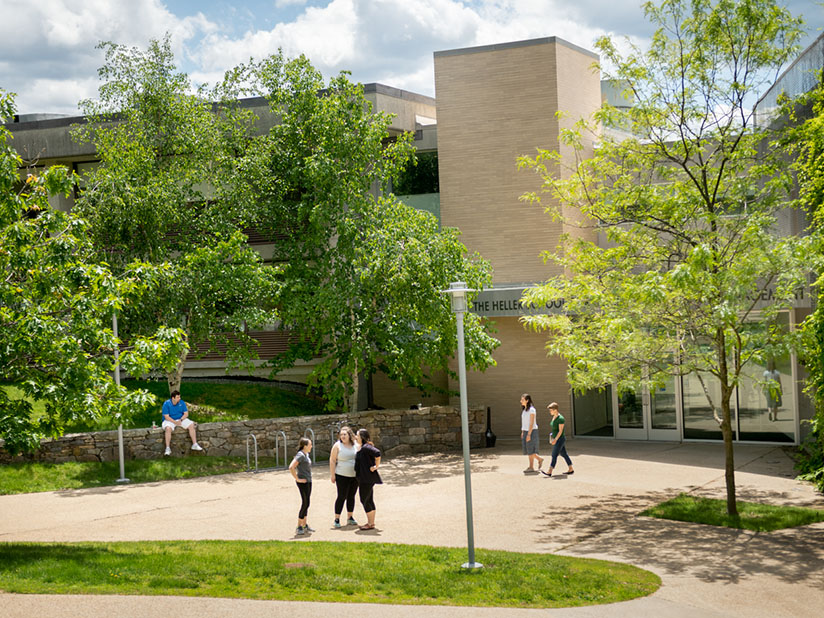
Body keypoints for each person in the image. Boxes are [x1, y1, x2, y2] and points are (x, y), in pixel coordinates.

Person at [329, 426, 360, 528]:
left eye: (344, 434)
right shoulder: (337, 446)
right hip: (341, 475)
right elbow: (332, 460)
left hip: (354, 475)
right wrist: (332, 474)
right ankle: (337, 519)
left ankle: (350, 517)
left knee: (351, 496)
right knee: (341, 496)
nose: (342, 436)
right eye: (341, 434)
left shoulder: (356, 445)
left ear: (350, 435)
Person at [354, 428, 382, 530]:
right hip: (365, 478)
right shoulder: (363, 447)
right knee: (369, 499)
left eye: (357, 435)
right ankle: (371, 523)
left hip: (366, 479)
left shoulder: (366, 447)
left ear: (362, 437)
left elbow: (377, 453)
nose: (356, 437)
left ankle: (370, 523)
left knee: (364, 499)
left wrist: (376, 467)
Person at [161, 390, 203, 456]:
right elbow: (166, 417)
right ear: (173, 398)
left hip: (180, 419)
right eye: (178, 397)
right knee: (168, 428)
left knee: (191, 425)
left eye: (179, 397)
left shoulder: (182, 403)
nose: (179, 398)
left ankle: (194, 444)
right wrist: (175, 422)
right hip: (169, 420)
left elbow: (186, 414)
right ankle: (167, 448)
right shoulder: (166, 404)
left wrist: (180, 420)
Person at [289, 437, 314, 535]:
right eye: (310, 444)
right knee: (305, 503)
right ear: (305, 446)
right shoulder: (300, 455)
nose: (311, 446)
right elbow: (291, 467)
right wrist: (297, 479)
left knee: (307, 503)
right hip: (303, 482)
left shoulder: (306, 454)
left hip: (308, 481)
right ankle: (299, 526)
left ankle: (304, 524)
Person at [542, 402, 574, 477]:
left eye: (551, 410)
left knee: (554, 454)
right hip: (556, 438)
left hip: (560, 439)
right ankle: (571, 468)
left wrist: (555, 439)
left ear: (555, 410)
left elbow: (560, 431)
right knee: (564, 454)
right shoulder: (554, 417)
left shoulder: (561, 419)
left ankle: (550, 471)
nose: (550, 412)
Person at [520, 394, 543, 474]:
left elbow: (531, 423)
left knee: (530, 449)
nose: (521, 401)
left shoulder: (532, 410)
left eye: (522, 400)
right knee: (528, 449)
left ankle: (531, 467)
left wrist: (529, 434)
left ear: (527, 400)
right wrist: (523, 431)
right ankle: (539, 459)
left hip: (532, 431)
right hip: (526, 431)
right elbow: (524, 422)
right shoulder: (524, 410)